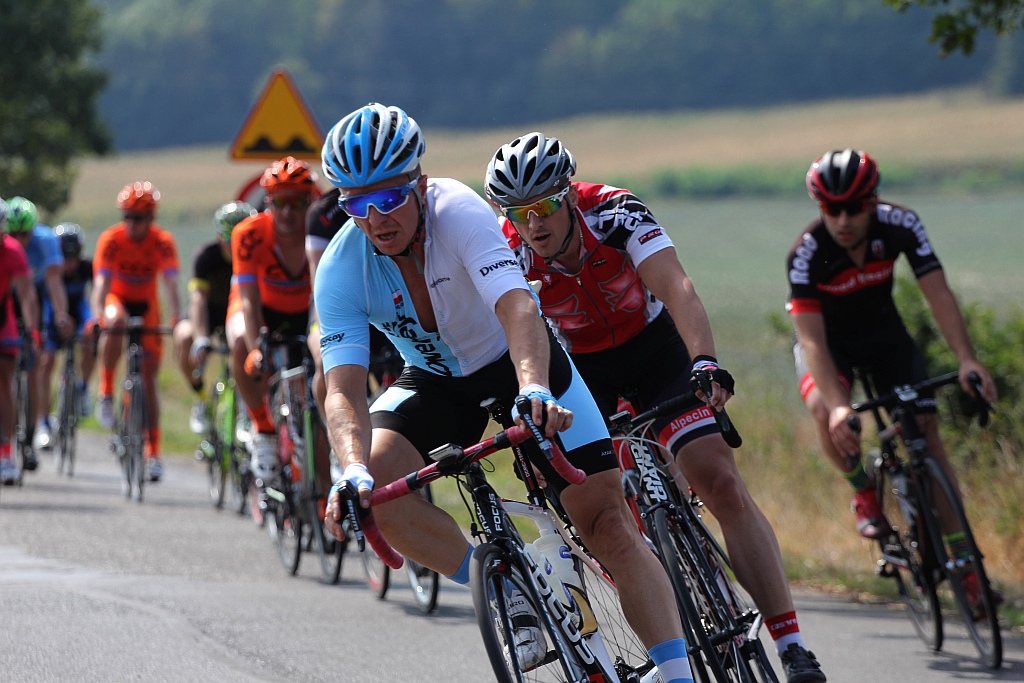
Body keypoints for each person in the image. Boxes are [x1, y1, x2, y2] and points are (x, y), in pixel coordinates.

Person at [318, 103, 696, 682]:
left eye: (389, 198)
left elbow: (517, 305)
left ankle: (677, 675)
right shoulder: (342, 265)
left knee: (607, 522)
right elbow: (341, 388)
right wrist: (350, 470)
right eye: (356, 203)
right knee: (379, 486)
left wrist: (534, 388)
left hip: (514, 359)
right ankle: (508, 588)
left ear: (418, 183)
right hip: (436, 380)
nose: (375, 218)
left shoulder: (459, 212)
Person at [486, 133, 826, 683]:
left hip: (656, 351)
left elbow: (676, 286)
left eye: (545, 206)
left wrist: (706, 361)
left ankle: (792, 645)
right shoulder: (505, 251)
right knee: (607, 512)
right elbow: (507, 339)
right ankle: (665, 599)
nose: (534, 225)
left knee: (718, 479)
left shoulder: (616, 211)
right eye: (518, 213)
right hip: (584, 372)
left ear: (569, 194)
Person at [786, 149, 997, 604]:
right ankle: (862, 489)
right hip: (829, 345)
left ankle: (967, 566)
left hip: (884, 336)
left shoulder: (901, 226)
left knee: (927, 434)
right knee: (825, 409)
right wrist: (842, 405)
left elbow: (937, 292)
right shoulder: (806, 253)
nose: (842, 220)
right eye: (830, 209)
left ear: (874, 201)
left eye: (854, 207)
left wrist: (967, 359)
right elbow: (813, 342)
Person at [228, 157, 316, 484]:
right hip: (262, 310)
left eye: (297, 202)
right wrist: (255, 350)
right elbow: (248, 301)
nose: (288, 212)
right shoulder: (248, 234)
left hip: (306, 312)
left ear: (310, 202)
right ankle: (263, 431)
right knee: (238, 341)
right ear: (268, 203)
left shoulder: (320, 229)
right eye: (279, 202)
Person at [92, 182, 181, 482]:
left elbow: (170, 284)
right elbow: (102, 285)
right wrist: (97, 315)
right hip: (117, 300)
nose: (132, 223)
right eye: (127, 216)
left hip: (146, 305)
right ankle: (105, 390)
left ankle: (153, 451)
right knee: (113, 321)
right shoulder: (112, 240)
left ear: (151, 219)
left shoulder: (162, 242)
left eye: (139, 218)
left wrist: (178, 318)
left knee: (149, 379)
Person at [173, 201, 257, 434]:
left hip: (239, 311)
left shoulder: (257, 254)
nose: (236, 245)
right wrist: (201, 338)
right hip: (209, 312)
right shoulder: (206, 256)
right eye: (230, 239)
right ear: (220, 237)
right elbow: (198, 300)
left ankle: (248, 408)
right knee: (184, 337)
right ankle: (201, 398)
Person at [4, 197, 72, 466]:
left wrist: (61, 315)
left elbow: (54, 285)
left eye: (25, 234)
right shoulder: (6, 248)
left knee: (35, 363)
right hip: (8, 295)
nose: (20, 240)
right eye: (14, 234)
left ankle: (30, 436)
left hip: (37, 295)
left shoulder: (45, 241)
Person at [37, 223, 98, 446]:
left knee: (91, 337)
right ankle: (43, 423)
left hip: (79, 314)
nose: (69, 263)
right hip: (52, 317)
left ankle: (82, 389)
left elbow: (96, 295)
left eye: (74, 256)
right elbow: (44, 302)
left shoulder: (87, 267)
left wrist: (94, 321)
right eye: (64, 256)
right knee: (47, 361)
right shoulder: (49, 268)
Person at [0, 198, 42, 484]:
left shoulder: (12, 251)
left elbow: (27, 295)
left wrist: (34, 332)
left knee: (4, 380)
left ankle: (5, 454)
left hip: (3, 320)